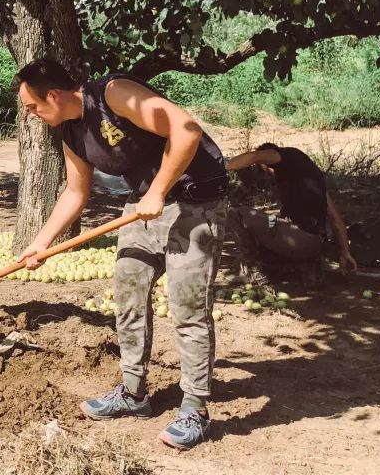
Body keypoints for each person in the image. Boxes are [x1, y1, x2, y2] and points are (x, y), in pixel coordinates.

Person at [12, 60, 228, 450]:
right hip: (145, 205)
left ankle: (195, 408)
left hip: (197, 203)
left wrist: (159, 190)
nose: (30, 116)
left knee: (188, 307)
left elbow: (187, 130)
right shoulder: (71, 133)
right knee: (128, 295)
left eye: (31, 107)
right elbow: (75, 193)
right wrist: (42, 242)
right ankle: (133, 393)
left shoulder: (113, 94)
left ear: (54, 96)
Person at [226, 143, 357, 287]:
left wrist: (222, 166)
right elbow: (335, 217)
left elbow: (253, 156)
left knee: (236, 213)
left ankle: (254, 271)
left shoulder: (285, 156)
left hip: (299, 238)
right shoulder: (307, 175)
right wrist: (345, 252)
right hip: (316, 243)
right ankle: (306, 266)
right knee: (270, 222)